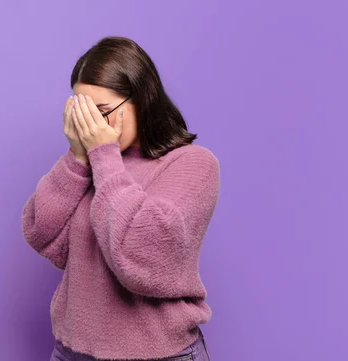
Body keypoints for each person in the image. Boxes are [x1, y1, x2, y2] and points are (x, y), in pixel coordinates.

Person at [22, 36, 219, 361]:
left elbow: (139, 255)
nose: (91, 127)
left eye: (101, 112)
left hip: (157, 356)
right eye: (82, 114)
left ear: (140, 100)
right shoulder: (93, 162)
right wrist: (77, 157)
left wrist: (102, 154)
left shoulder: (192, 165)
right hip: (72, 352)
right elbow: (43, 235)